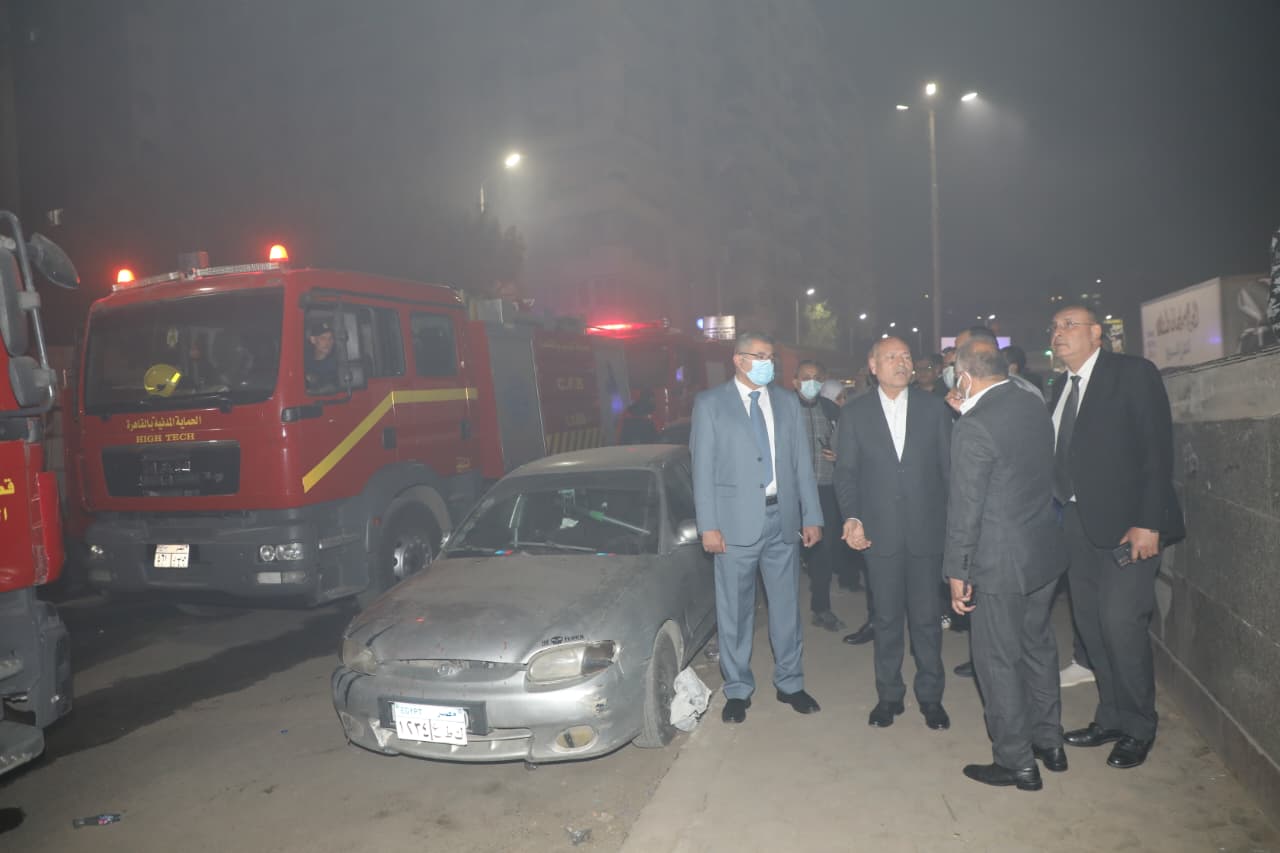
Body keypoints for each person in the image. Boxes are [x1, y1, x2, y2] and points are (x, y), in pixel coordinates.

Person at [1051, 304, 1184, 770]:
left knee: (1120, 623)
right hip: (1076, 525)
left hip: (1130, 527)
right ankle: (1110, 716)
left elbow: (1156, 450)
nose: (1059, 333)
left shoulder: (1131, 374)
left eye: (1069, 325)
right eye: (1055, 327)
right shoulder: (1060, 388)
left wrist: (1149, 522)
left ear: (1096, 334)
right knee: (1090, 625)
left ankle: (1139, 726)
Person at [943, 339, 1067, 791]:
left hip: (998, 560)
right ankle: (1049, 743)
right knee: (1038, 648)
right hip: (1041, 552)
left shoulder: (974, 425)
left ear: (965, 377)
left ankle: (1016, 762)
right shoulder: (1031, 403)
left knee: (997, 660)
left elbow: (966, 507)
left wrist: (958, 570)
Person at [691, 331, 824, 723]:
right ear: (739, 359)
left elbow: (801, 463)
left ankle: (790, 683)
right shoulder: (710, 404)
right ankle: (737, 689)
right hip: (733, 526)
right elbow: (702, 469)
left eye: (771, 356)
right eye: (760, 356)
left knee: (786, 608)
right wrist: (708, 526)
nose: (768, 363)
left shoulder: (786, 401)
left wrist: (812, 515)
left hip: (782, 519)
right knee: (735, 611)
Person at [834, 336, 952, 730]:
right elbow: (846, 472)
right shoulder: (855, 413)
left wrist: (955, 527)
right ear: (873, 366)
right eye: (891, 357)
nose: (901, 363)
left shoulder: (935, 409)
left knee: (927, 619)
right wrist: (852, 517)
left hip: (926, 532)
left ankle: (931, 696)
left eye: (906, 356)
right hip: (879, 533)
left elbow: (949, 471)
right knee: (885, 619)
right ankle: (889, 696)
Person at [793, 361, 846, 632]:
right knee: (787, 551)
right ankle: (784, 612)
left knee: (823, 550)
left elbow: (849, 445)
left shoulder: (831, 410)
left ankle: (821, 607)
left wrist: (839, 455)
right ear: (795, 381)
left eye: (816, 377)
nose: (811, 382)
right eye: (805, 377)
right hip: (792, 491)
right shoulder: (784, 409)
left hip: (825, 488)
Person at [304, 318, 340, 391]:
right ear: (313, 340)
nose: (327, 342)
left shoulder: (336, 363)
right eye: (323, 338)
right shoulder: (305, 361)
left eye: (330, 338)